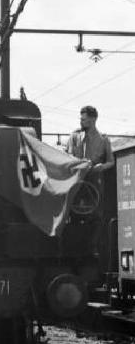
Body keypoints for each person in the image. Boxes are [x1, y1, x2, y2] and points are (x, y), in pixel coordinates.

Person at [66, 105, 114, 252]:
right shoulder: (74, 137)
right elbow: (67, 157)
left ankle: (92, 247)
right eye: (81, 119)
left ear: (93, 119)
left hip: (94, 180)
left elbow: (111, 161)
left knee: (96, 216)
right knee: (73, 213)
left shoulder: (103, 140)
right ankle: (73, 248)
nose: (81, 122)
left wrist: (101, 167)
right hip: (77, 180)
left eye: (84, 119)